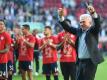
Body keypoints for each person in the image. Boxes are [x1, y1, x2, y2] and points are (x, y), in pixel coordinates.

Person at [58, 5, 104, 80]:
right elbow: (68, 28)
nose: (81, 23)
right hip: (80, 62)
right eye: (80, 22)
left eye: (83, 22)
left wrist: (93, 13)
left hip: (90, 62)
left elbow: (98, 25)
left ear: (90, 22)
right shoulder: (79, 31)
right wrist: (61, 17)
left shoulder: (93, 31)